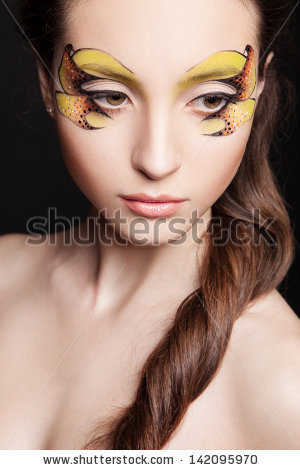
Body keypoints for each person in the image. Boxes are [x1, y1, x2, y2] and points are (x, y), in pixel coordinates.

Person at [0, 0, 299, 451]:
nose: (157, 161)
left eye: (212, 98)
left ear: (255, 91)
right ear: (47, 85)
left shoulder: (284, 386)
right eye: (110, 95)